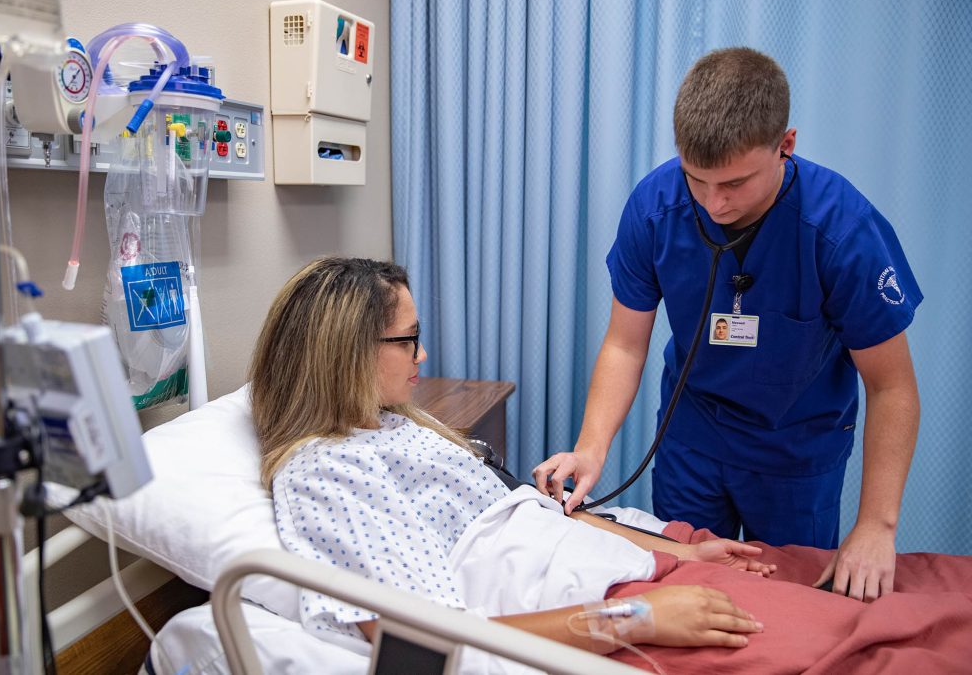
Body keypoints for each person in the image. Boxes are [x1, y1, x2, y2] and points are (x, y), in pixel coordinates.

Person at [248, 257, 970, 673]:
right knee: (890, 654)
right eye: (410, 339)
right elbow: (422, 645)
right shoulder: (325, 470)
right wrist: (634, 617)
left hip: (636, 575)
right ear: (347, 351)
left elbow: (537, 516)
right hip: (608, 620)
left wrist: (676, 550)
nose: (425, 356)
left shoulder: (400, 428)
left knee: (910, 609)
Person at [532, 47, 921, 603]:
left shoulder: (841, 231)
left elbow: (893, 386)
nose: (714, 203)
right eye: (697, 179)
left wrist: (877, 528)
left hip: (796, 453)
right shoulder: (655, 207)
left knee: (789, 609)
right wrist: (591, 449)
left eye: (735, 184)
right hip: (694, 441)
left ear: (785, 145)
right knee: (680, 589)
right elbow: (624, 344)